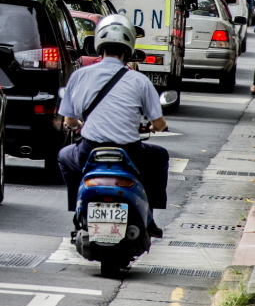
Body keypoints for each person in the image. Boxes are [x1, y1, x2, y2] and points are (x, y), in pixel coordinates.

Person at [56, 15, 170, 238]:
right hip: (130, 151)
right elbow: (158, 122)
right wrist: (160, 127)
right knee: (160, 157)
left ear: (99, 46)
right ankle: (150, 216)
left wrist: (77, 123)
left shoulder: (79, 76)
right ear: (128, 50)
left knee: (63, 156)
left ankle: (78, 208)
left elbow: (69, 121)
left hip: (89, 151)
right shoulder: (139, 81)